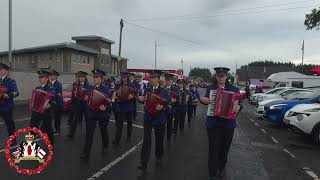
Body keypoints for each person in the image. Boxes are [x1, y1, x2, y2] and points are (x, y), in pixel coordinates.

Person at [201, 67, 242, 180]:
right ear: (216, 77)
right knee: (213, 148)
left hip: (228, 125)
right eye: (218, 76)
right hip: (213, 124)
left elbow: (240, 104)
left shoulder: (233, 89)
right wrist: (203, 100)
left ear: (226, 77)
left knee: (224, 148)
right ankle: (212, 173)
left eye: (222, 76)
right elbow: (204, 99)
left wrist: (238, 107)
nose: (220, 78)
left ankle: (222, 166)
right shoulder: (211, 88)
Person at [137, 70, 170, 171]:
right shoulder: (147, 90)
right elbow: (142, 99)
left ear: (158, 79)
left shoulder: (164, 91)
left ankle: (159, 155)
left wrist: (163, 108)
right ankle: (144, 162)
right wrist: (140, 99)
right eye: (151, 78)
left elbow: (169, 106)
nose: (152, 80)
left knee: (159, 140)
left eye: (154, 78)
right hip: (148, 118)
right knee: (146, 141)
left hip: (159, 119)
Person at [80, 69, 111, 160]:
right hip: (92, 114)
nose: (95, 79)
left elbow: (109, 101)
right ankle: (86, 152)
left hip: (102, 114)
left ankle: (105, 145)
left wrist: (106, 107)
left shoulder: (106, 88)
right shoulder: (90, 88)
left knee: (103, 131)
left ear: (101, 79)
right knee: (89, 133)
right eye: (94, 77)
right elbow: (86, 99)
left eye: (97, 77)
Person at [30, 70, 55, 145]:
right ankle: (29, 143)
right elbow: (34, 98)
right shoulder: (37, 88)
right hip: (36, 112)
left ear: (47, 78)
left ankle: (51, 142)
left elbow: (54, 101)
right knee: (33, 127)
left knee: (48, 128)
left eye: (43, 77)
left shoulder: (51, 89)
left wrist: (49, 105)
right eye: (40, 77)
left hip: (46, 112)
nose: (41, 79)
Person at [112, 72, 136, 145]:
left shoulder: (131, 85)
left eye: (125, 77)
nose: (124, 79)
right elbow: (114, 93)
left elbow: (135, 94)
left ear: (127, 77)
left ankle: (129, 136)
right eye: (123, 77)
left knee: (129, 123)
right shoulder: (118, 85)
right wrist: (114, 97)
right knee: (119, 125)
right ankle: (117, 140)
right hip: (121, 107)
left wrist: (132, 97)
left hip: (129, 107)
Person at [66, 71, 90, 139]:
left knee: (87, 119)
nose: (80, 78)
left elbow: (89, 95)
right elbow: (73, 94)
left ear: (85, 77)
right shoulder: (75, 84)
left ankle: (89, 132)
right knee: (75, 120)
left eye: (82, 77)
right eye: (79, 77)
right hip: (77, 104)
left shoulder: (88, 86)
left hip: (85, 105)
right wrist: (72, 103)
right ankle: (71, 133)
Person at [0, 63, 19, 142]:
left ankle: (13, 140)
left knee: (9, 125)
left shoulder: (10, 81)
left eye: (1, 70)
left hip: (7, 107)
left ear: (6, 71)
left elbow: (16, 92)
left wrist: (8, 95)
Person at [163, 73, 179, 142]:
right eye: (166, 80)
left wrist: (175, 100)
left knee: (169, 125)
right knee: (162, 125)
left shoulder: (175, 89)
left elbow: (178, 99)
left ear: (172, 81)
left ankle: (168, 138)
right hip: (163, 110)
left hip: (171, 110)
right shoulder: (162, 88)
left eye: (169, 80)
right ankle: (162, 137)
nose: (167, 81)